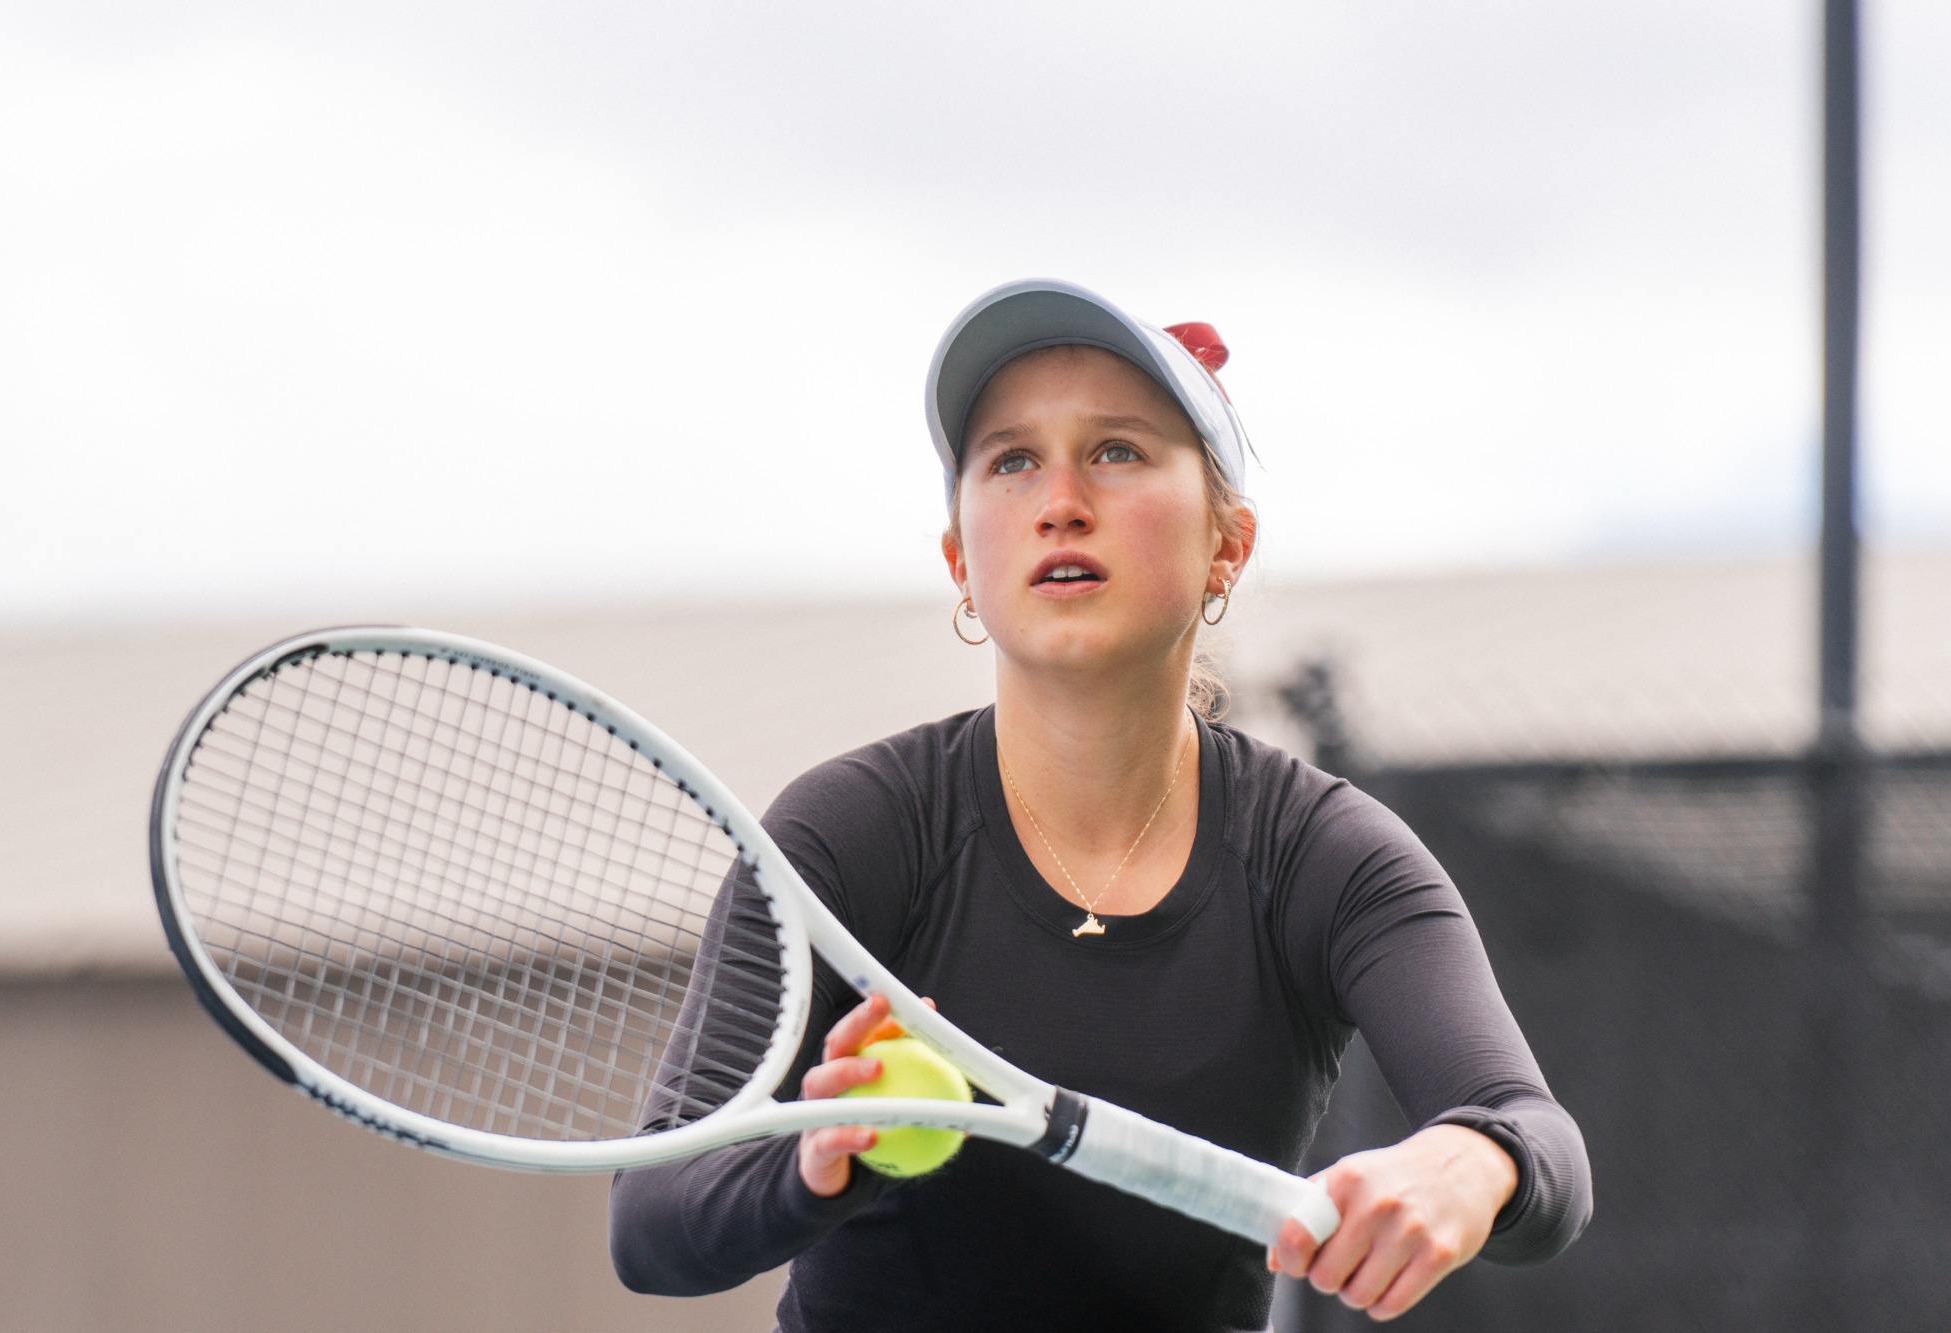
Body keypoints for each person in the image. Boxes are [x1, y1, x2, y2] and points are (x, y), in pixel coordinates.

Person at [609, 279, 1592, 1331]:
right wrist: (819, 1161)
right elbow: (653, 1223)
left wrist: (1469, 1160)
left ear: (1227, 546)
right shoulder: (850, 833)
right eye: (1011, 459)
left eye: (1117, 451)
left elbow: (1534, 1142)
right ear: (960, 563)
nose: (1060, 498)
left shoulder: (1327, 857)